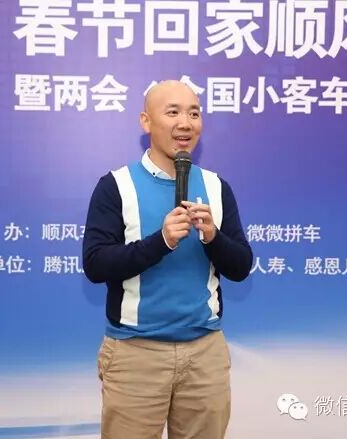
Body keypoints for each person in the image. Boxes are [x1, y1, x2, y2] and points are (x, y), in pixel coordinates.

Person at [82, 80, 253, 439]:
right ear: (146, 121)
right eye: (172, 112)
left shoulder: (216, 186)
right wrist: (160, 241)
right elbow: (96, 264)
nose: (185, 123)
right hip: (135, 354)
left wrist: (213, 237)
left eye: (194, 113)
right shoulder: (116, 186)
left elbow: (240, 267)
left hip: (205, 354)